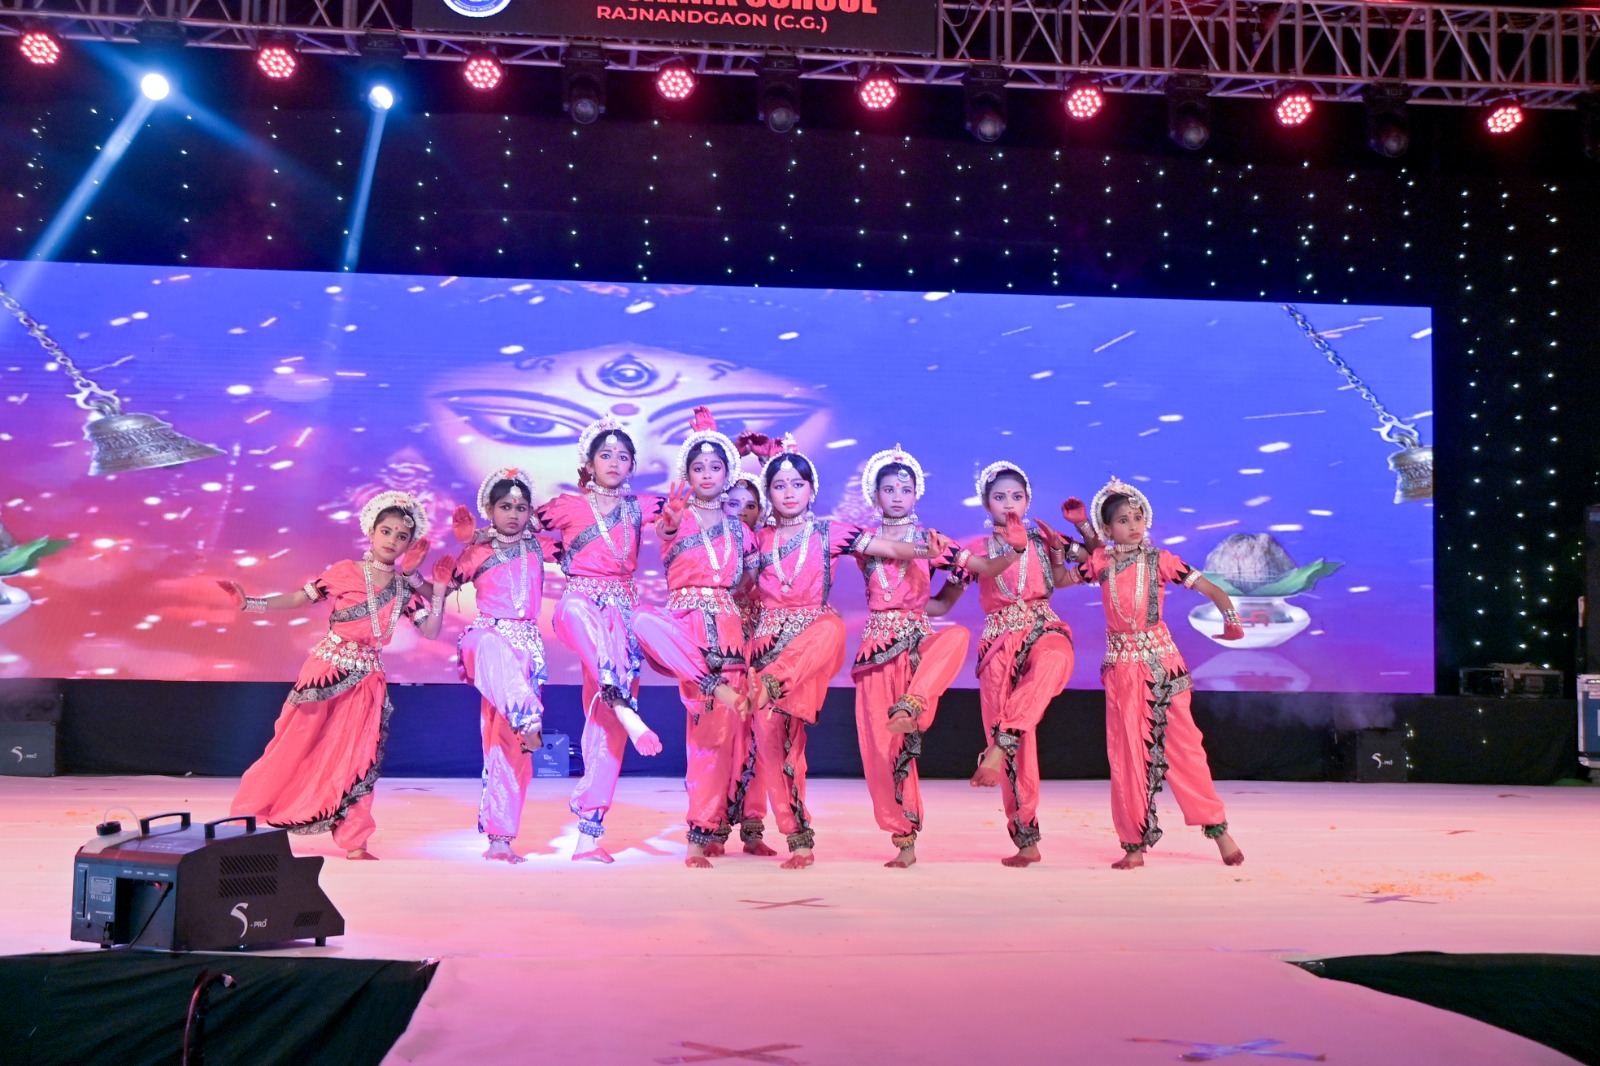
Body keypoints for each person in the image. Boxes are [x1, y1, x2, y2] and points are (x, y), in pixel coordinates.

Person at [742, 434, 944, 868]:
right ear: (768, 492)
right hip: (768, 648)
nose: (789, 492)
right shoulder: (757, 539)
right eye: (779, 485)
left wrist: (928, 551)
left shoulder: (831, 531)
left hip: (814, 641)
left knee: (830, 628)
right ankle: (798, 841)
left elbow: (889, 547)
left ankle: (904, 833)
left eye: (798, 484)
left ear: (812, 489)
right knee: (777, 747)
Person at [224, 491, 444, 860]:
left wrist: (435, 589)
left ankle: (354, 841)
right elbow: (299, 598)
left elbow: (432, 631)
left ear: (410, 544)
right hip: (325, 672)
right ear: (370, 532)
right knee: (292, 745)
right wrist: (250, 604)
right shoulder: (344, 571)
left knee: (358, 758)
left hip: (368, 681)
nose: (392, 540)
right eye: (386, 531)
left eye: (401, 536)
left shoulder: (405, 588)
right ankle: (245, 817)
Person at [1080, 477, 1247, 870]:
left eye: (1138, 517)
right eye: (1123, 520)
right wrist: (1072, 533)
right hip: (1122, 671)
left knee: (1186, 750)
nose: (1134, 525)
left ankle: (1219, 831)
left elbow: (1214, 590)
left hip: (1163, 668)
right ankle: (1133, 845)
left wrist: (1232, 621)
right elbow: (1062, 577)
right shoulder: (1101, 563)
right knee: (1127, 756)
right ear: (1109, 529)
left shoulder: (1162, 561)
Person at [942, 463, 1089, 867]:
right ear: (986, 502)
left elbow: (1093, 558)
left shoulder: (1046, 537)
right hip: (997, 644)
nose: (1009, 503)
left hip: (1043, 626)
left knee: (1055, 660)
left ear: (1027, 501)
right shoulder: (974, 549)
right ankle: (1026, 840)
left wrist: (1083, 526)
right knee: (1016, 745)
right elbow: (942, 603)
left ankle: (999, 744)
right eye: (1000, 496)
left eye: (1017, 496)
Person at [535, 416, 665, 863]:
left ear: (632, 466)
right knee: (574, 610)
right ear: (589, 463)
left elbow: (697, 504)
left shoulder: (643, 506)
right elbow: (517, 530)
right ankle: (624, 703)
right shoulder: (566, 506)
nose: (614, 462)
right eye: (605, 455)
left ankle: (589, 834)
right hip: (579, 602)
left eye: (623, 456)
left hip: (622, 613)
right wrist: (560, 555)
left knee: (606, 727)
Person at [634, 407, 759, 868]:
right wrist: (670, 519)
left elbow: (753, 583)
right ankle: (701, 831)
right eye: (698, 466)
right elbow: (666, 528)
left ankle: (705, 833)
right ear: (686, 474)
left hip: (729, 637)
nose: (707, 473)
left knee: (717, 738)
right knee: (641, 620)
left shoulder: (741, 531)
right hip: (686, 635)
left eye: (715, 466)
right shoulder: (676, 517)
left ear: (728, 474)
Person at [850, 445, 970, 869]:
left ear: (917, 493)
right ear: (875, 495)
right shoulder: (863, 542)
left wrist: (957, 582)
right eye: (889, 489)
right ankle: (904, 838)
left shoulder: (932, 540)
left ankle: (913, 702)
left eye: (905, 489)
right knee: (879, 749)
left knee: (957, 636)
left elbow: (940, 604)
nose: (897, 496)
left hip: (917, 643)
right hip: (875, 650)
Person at [444, 468, 552, 863]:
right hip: (486, 639)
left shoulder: (540, 546)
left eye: (521, 508)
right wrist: (467, 542)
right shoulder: (477, 552)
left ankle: (500, 839)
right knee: (489, 643)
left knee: (507, 746)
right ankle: (528, 718)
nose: (513, 514)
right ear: (490, 510)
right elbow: (439, 588)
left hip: (525, 653)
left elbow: (582, 549)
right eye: (505, 506)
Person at [707, 469, 775, 858]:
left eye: (752, 505)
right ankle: (712, 827)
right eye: (735, 503)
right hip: (723, 655)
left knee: (758, 743)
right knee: (720, 741)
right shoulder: (713, 544)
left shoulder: (767, 546)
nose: (744, 511)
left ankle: (753, 829)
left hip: (760, 656)